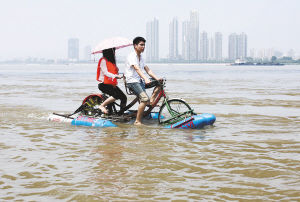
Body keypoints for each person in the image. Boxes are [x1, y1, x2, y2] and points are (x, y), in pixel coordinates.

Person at [125, 37, 162, 125]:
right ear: (135, 46)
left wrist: (157, 79)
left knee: (160, 84)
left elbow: (148, 70)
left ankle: (151, 100)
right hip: (132, 82)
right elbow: (137, 69)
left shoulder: (141, 57)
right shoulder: (131, 56)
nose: (143, 47)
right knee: (144, 99)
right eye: (141, 45)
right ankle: (137, 121)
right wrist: (145, 79)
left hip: (140, 81)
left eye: (144, 45)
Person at [97, 48, 127, 114]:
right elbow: (105, 72)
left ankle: (121, 113)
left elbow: (113, 73)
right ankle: (102, 106)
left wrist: (118, 73)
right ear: (108, 52)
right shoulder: (103, 60)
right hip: (103, 84)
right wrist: (115, 76)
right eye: (113, 51)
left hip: (111, 84)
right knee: (116, 95)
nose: (114, 53)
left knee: (123, 97)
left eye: (114, 51)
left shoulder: (111, 62)